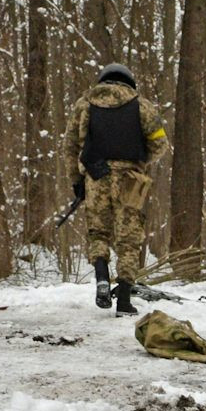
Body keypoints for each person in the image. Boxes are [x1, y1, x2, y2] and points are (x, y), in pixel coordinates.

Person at [64, 64, 169, 314]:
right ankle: (123, 300)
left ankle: (102, 277)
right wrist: (139, 159)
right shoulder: (142, 106)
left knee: (98, 232)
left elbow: (69, 146)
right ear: (129, 82)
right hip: (131, 178)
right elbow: (160, 143)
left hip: (95, 175)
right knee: (129, 239)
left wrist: (77, 181)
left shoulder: (84, 104)